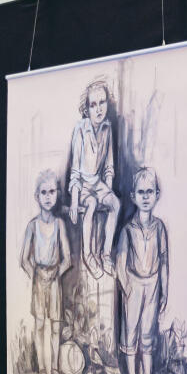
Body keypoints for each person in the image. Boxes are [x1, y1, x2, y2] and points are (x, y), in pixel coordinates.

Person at [115, 167, 169, 374]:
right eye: (141, 192)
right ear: (133, 196)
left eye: (150, 191)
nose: (146, 197)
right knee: (131, 331)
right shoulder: (128, 229)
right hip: (134, 285)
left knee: (148, 331)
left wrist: (164, 290)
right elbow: (120, 262)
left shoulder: (159, 228)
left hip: (154, 283)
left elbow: (164, 261)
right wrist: (127, 287)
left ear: (157, 194)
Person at [21, 170, 71, 374]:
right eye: (44, 192)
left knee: (56, 326)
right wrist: (36, 276)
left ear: (57, 194)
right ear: (37, 196)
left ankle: (56, 369)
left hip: (55, 279)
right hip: (38, 279)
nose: (48, 196)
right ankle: (43, 369)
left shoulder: (60, 224)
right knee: (40, 325)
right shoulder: (32, 226)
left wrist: (55, 275)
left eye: (52, 191)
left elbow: (67, 258)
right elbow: (23, 258)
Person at [69, 78, 120, 278]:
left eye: (102, 102)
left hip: (98, 184)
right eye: (93, 105)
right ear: (87, 109)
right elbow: (74, 172)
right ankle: (88, 256)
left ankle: (105, 255)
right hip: (82, 186)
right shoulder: (80, 129)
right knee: (90, 204)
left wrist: (107, 190)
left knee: (115, 204)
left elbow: (109, 166)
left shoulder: (107, 129)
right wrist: (74, 201)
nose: (98, 109)